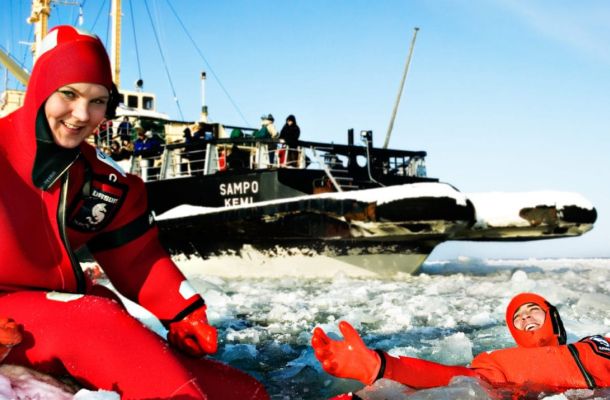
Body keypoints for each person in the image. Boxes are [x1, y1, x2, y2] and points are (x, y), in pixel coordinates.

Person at [0, 25, 267, 399]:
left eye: (98, 101)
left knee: (244, 391)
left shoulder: (104, 180)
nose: (82, 114)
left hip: (62, 311)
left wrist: (183, 312)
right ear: (42, 90)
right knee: (96, 317)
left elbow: (137, 256)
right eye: (69, 94)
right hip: (12, 321)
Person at [312, 292, 610, 395]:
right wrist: (383, 366)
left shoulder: (596, 342)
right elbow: (460, 378)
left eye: (533, 310)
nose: (526, 317)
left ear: (552, 317)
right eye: (517, 317)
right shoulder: (502, 362)